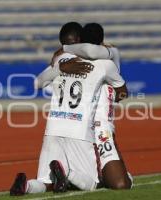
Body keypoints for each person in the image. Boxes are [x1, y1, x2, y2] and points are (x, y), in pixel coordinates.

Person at [10, 22, 128, 195]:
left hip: (53, 128)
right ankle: (68, 173)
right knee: (95, 183)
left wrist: (61, 62)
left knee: (46, 182)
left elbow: (37, 82)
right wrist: (111, 99)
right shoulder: (104, 63)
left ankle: (26, 186)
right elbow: (122, 92)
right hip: (81, 130)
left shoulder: (61, 59)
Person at [59, 23, 133, 189]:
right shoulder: (102, 58)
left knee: (109, 180)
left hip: (88, 127)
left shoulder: (77, 57)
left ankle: (72, 174)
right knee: (114, 183)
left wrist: (63, 48)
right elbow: (122, 93)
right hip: (89, 128)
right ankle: (69, 174)